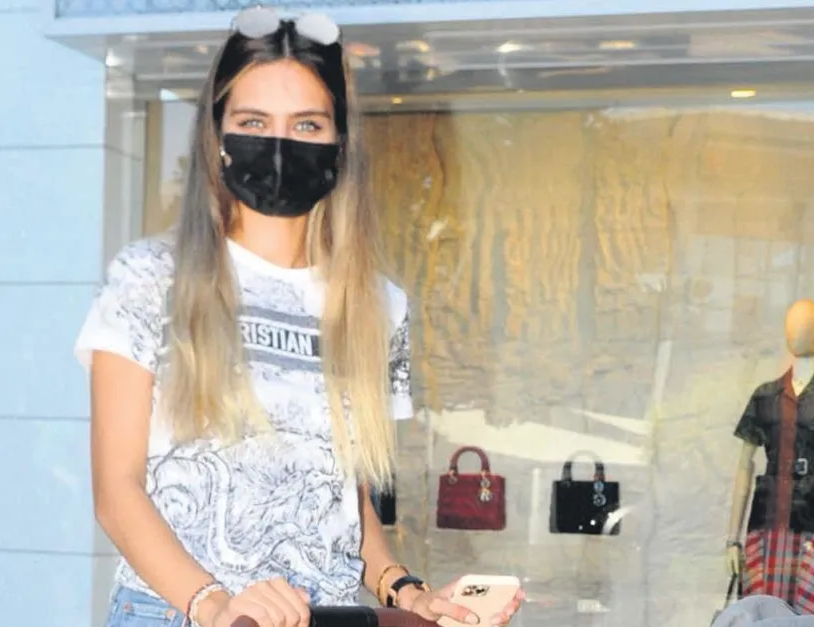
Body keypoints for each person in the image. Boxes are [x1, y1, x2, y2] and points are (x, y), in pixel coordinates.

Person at [76, 8, 523, 627]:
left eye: (306, 124)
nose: (279, 143)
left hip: (324, 613)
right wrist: (216, 605)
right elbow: (116, 491)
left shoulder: (377, 304)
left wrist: (405, 590)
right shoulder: (151, 278)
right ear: (218, 136)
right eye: (253, 122)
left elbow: (345, 497)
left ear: (339, 142)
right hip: (179, 614)